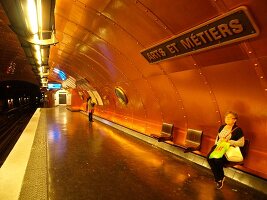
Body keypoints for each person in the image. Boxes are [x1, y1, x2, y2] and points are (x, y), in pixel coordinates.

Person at [207, 111, 245, 189]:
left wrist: (230, 141)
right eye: (226, 117)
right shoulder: (222, 127)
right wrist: (216, 145)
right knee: (209, 158)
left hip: (227, 149)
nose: (227, 119)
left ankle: (219, 179)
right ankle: (220, 177)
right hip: (218, 147)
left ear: (235, 120)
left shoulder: (238, 130)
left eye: (229, 118)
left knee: (217, 160)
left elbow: (242, 143)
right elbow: (218, 137)